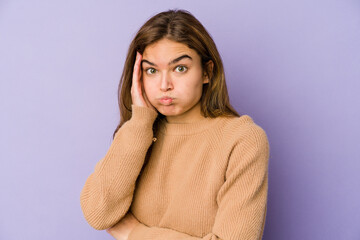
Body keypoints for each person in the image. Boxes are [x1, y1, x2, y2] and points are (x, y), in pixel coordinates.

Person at [80, 9, 270, 240]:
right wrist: (140, 121)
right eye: (151, 71)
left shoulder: (242, 139)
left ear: (207, 72)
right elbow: (99, 215)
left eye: (180, 68)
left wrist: (135, 233)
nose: (164, 85)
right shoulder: (138, 134)